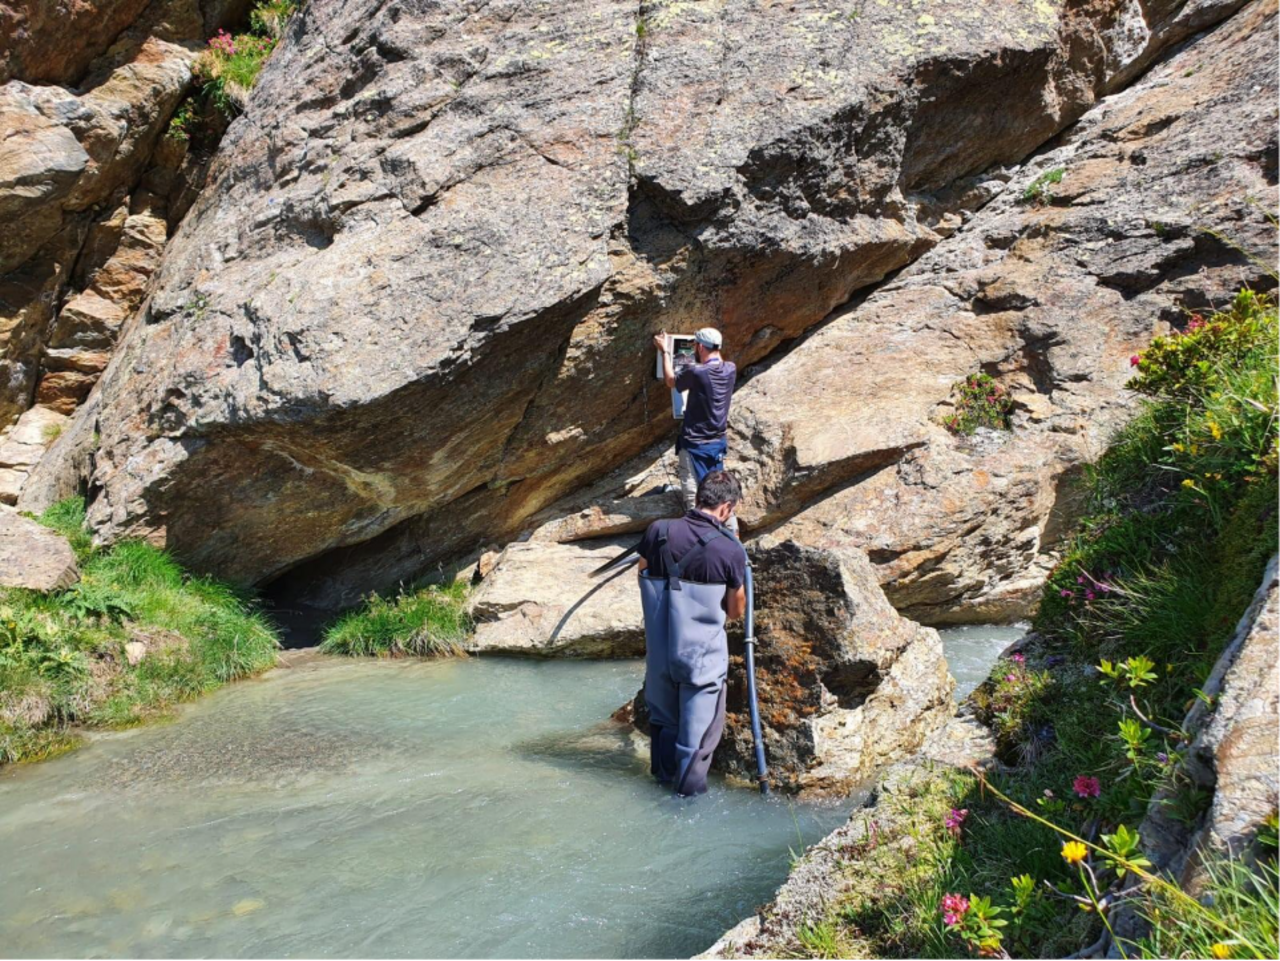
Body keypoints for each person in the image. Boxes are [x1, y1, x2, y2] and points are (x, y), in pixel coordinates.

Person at [636, 470, 747, 796]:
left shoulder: (658, 531)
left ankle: (660, 788)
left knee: (664, 725)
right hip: (702, 662)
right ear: (726, 508)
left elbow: (642, 570)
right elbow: (735, 610)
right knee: (697, 740)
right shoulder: (730, 550)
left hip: (660, 655)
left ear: (699, 497)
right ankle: (684, 806)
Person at [653, 327, 737, 527]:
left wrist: (665, 350)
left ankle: (697, 534)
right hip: (717, 442)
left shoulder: (696, 371)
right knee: (718, 491)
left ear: (700, 346)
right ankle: (732, 536)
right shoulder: (731, 368)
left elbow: (671, 381)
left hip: (694, 442)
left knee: (693, 495)